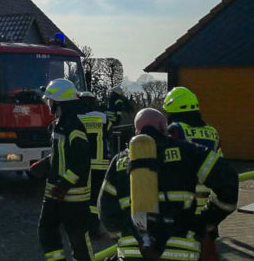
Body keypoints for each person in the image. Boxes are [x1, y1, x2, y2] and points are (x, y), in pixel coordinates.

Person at [98, 108, 239, 261]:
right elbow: (228, 185)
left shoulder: (119, 162)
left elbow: (104, 210)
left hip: (132, 253)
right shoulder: (188, 152)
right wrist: (202, 223)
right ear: (164, 127)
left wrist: (125, 234)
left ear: (136, 131)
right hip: (180, 251)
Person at [163, 86, 222, 260]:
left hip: (184, 206)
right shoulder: (212, 133)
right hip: (208, 207)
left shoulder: (174, 131)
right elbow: (220, 169)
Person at [37, 79, 93, 261]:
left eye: (50, 100)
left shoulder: (74, 128)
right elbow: (62, 155)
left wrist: (64, 185)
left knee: (78, 240)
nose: (48, 104)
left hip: (73, 196)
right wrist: (45, 164)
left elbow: (81, 163)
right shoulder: (58, 124)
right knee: (46, 231)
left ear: (58, 102)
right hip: (54, 193)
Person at [77, 91, 112, 238]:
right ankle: (94, 229)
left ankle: (80, 227)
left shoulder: (76, 118)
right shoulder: (102, 117)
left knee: (81, 195)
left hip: (82, 163)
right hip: (100, 163)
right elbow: (108, 131)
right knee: (95, 197)